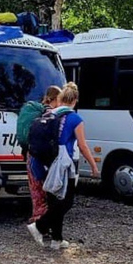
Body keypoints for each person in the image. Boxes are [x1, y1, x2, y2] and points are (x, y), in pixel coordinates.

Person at [42, 82, 99, 250]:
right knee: (66, 202)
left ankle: (56, 240)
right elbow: (82, 145)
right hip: (66, 163)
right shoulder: (75, 118)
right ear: (75, 100)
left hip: (48, 161)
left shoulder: (51, 113)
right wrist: (94, 166)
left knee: (54, 200)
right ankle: (39, 226)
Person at [23, 86, 62, 247]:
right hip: (44, 159)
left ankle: (40, 225)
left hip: (32, 156)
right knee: (45, 193)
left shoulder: (37, 112)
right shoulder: (51, 114)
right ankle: (40, 228)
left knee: (37, 192)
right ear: (55, 98)